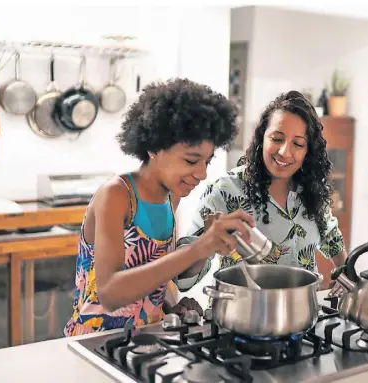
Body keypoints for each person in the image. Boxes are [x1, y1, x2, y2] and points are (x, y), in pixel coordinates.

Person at [63, 78, 255, 336]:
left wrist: (171, 305)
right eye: (191, 160)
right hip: (94, 342)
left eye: (207, 162)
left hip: (144, 340)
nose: (200, 174)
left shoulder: (170, 198)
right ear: (154, 147)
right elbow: (109, 293)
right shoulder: (117, 195)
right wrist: (199, 247)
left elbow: (157, 276)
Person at [186, 90, 348, 282]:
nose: (285, 152)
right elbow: (184, 277)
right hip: (240, 308)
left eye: (297, 144)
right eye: (277, 139)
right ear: (262, 138)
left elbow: (333, 241)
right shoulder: (225, 190)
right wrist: (207, 244)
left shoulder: (311, 191)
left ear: (308, 151)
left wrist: (347, 278)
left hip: (301, 309)